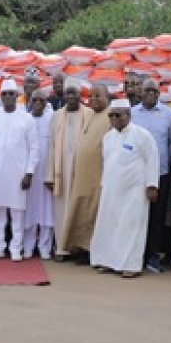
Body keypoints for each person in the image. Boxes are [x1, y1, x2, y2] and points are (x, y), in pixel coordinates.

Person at [90, 99, 160, 278]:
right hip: (111, 190)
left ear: (128, 115)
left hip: (134, 191)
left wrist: (152, 185)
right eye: (111, 115)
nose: (114, 119)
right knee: (110, 225)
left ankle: (130, 265)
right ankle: (108, 261)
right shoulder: (108, 137)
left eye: (118, 115)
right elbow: (107, 164)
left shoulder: (142, 135)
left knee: (131, 227)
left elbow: (152, 159)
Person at [0, 79, 39, 261]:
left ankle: (16, 248)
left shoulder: (26, 119)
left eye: (11, 94)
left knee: (17, 212)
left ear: (16, 96)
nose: (7, 97)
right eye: (4, 94)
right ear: (1, 96)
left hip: (18, 173)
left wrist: (29, 172)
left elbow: (34, 148)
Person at [131, 77, 171, 272]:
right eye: (147, 90)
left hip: (160, 173)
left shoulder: (169, 115)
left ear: (159, 94)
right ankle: (136, 253)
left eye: (155, 91)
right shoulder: (132, 114)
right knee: (135, 213)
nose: (151, 94)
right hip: (135, 173)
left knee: (157, 216)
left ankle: (152, 255)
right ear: (140, 93)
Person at [61, 84, 112, 257]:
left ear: (108, 97)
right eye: (91, 96)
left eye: (98, 96)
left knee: (93, 213)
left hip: (98, 174)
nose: (94, 100)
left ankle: (90, 250)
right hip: (83, 175)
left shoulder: (111, 116)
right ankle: (79, 246)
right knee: (81, 211)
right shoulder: (90, 115)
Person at [46, 78, 92, 261]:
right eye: (68, 93)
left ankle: (79, 247)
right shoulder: (56, 116)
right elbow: (51, 147)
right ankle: (62, 248)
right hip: (61, 170)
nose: (71, 96)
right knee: (61, 209)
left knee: (81, 209)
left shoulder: (89, 114)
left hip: (82, 170)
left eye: (74, 92)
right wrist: (49, 175)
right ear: (63, 96)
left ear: (80, 95)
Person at [23, 89, 54, 259]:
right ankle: (28, 246)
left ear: (46, 101)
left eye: (41, 100)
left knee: (47, 211)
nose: (38, 103)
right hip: (28, 172)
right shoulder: (25, 119)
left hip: (46, 171)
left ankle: (44, 246)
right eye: (35, 99)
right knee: (29, 210)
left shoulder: (52, 118)